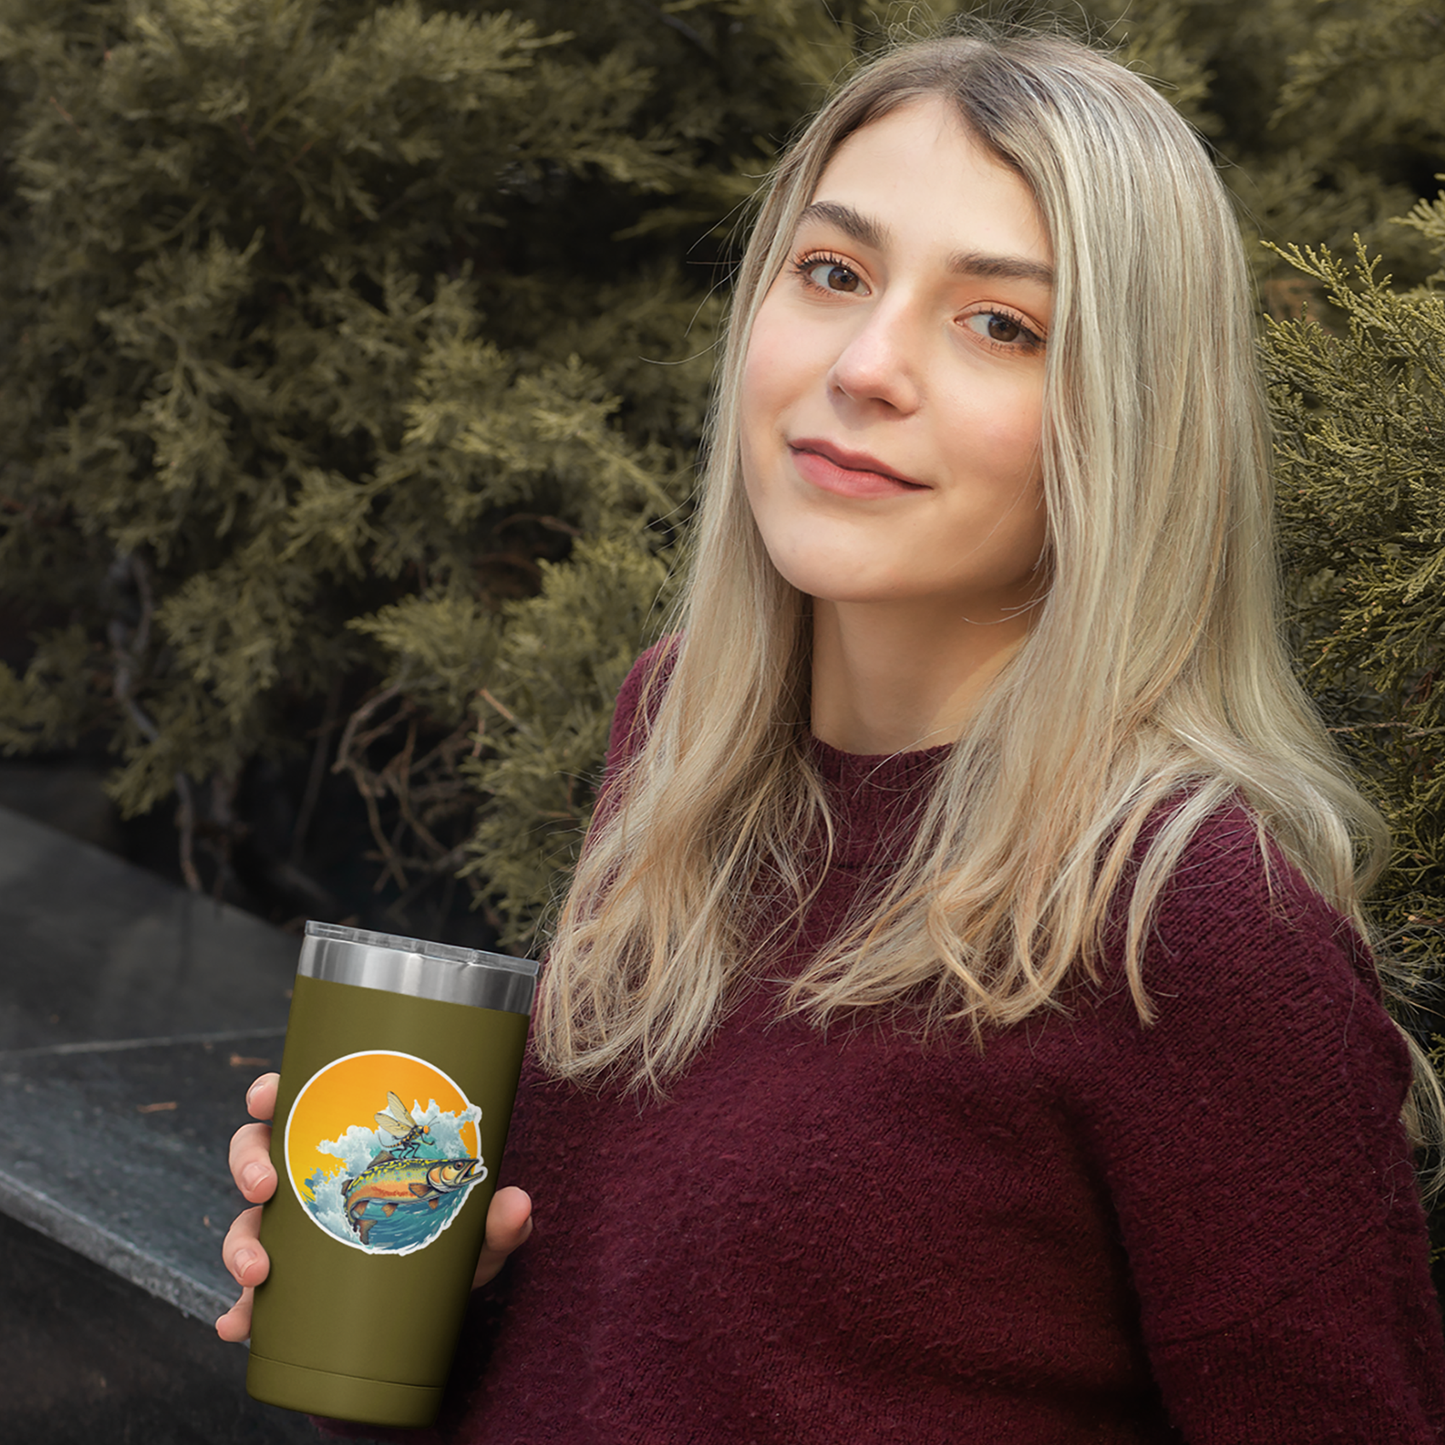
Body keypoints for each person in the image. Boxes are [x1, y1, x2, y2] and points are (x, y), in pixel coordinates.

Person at [218, 28, 1445, 1442]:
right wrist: (448, 1292)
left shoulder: (1197, 915)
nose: (866, 365)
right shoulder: (685, 735)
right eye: (835, 273)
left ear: (1129, 425)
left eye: (1001, 323)